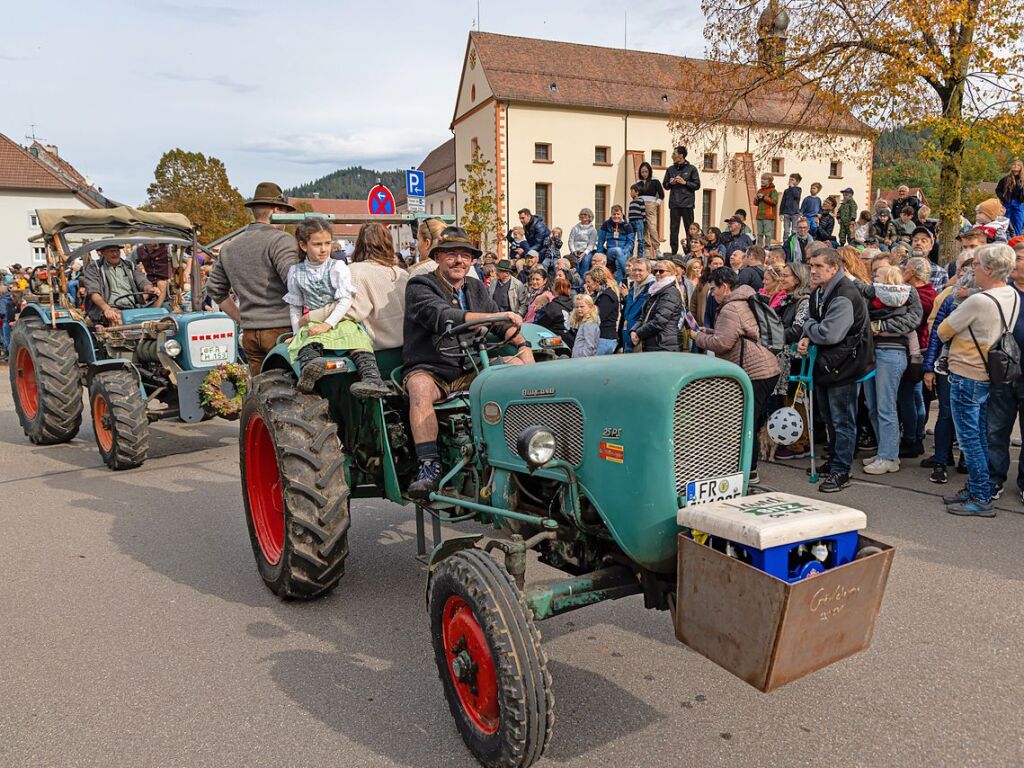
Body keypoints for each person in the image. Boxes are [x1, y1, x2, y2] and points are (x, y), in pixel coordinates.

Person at [403, 227, 535, 498]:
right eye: (451, 254)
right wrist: (487, 319)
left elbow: (498, 321)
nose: (459, 261)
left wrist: (523, 347)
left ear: (472, 261)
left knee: (520, 370)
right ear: (438, 257)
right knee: (418, 387)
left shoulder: (476, 287)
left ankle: (525, 448)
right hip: (433, 369)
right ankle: (429, 464)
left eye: (465, 255)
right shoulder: (420, 286)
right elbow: (443, 316)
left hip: (471, 367)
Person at [938, 244, 1020, 516]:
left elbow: (943, 330)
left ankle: (981, 496)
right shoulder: (1011, 294)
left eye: (976, 264)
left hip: (968, 371)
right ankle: (977, 487)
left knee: (970, 438)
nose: (972, 269)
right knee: (980, 436)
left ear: (987, 269)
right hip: (988, 371)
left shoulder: (978, 300)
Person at [692, 267, 781, 484]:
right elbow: (738, 334)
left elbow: (723, 344)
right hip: (765, 368)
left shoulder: (731, 308)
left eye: (714, 289)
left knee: (745, 422)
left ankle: (748, 472)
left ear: (724, 287)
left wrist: (697, 337)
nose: (712, 294)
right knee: (750, 419)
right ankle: (746, 469)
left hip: (755, 371)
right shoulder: (744, 301)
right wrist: (710, 332)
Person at [797, 248, 874, 493]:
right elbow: (818, 327)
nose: (813, 270)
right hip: (830, 363)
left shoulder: (844, 294)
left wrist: (808, 328)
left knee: (842, 420)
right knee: (830, 418)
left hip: (845, 365)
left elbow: (829, 333)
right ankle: (834, 461)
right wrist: (808, 337)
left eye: (819, 266)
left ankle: (842, 469)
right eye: (811, 266)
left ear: (834, 267)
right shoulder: (820, 292)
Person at [283, 219, 389, 396]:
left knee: (357, 340)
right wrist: (296, 334)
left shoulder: (337, 267)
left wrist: (328, 324)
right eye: (317, 244)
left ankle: (372, 379)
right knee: (308, 341)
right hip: (314, 322)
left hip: (340, 319)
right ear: (303, 245)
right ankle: (310, 371)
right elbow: (295, 307)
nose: (324, 249)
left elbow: (345, 300)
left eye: (327, 243)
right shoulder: (295, 272)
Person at [205, 181, 299, 375]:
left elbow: (215, 289)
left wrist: (241, 318)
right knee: (293, 394)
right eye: (285, 214)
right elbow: (295, 282)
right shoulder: (280, 240)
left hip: (250, 332)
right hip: (282, 331)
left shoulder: (230, 247)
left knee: (260, 390)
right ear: (276, 211)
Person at [857, 265, 922, 475]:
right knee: (873, 405)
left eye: (877, 275)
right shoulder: (870, 295)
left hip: (892, 354)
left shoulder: (909, 294)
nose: (874, 278)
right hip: (871, 353)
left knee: (886, 407)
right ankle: (884, 449)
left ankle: (889, 457)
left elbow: (913, 320)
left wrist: (880, 327)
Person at [987, 237, 1024, 504]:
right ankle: (993, 478)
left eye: (1020, 258)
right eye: (1015, 258)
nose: (1016, 263)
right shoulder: (1003, 292)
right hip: (1002, 372)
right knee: (996, 429)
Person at [347, 222, 410, 352]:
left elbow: (352, 312)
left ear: (360, 244)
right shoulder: (402, 273)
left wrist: (315, 316)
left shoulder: (355, 271)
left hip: (374, 350)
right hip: (406, 347)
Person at [896, 256, 936, 459]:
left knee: (907, 397)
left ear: (912, 272)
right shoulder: (929, 292)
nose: (903, 270)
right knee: (915, 397)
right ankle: (916, 435)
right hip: (921, 349)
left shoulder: (918, 295)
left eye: (905, 267)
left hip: (916, 350)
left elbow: (913, 321)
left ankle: (911, 439)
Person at [773, 262, 813, 460]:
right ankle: (791, 437)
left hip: (796, 358)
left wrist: (774, 336)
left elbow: (797, 330)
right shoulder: (785, 300)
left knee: (796, 399)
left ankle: (800, 442)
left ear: (797, 279)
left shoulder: (804, 301)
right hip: (783, 357)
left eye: (786, 275)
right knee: (786, 399)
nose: (781, 278)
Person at [81, 244, 158, 327]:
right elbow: (93, 292)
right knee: (118, 320)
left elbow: (142, 281)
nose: (115, 254)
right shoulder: (95, 268)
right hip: (109, 308)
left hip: (132, 308)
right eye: (111, 251)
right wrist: (106, 309)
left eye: (117, 251)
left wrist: (150, 289)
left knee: (159, 317)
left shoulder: (130, 265)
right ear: (102, 253)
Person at [629, 259, 683, 352]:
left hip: (664, 344)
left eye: (661, 271)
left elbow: (660, 321)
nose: (657, 274)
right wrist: (633, 330)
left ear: (671, 273)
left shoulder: (670, 292)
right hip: (654, 342)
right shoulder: (655, 290)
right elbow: (644, 316)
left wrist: (639, 333)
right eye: (655, 271)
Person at [663, 146, 701, 255]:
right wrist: (671, 183)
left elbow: (697, 185)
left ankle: (691, 251)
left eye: (674, 154)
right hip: (674, 203)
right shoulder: (670, 169)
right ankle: (673, 252)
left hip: (687, 204)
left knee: (690, 229)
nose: (672, 156)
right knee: (673, 229)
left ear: (681, 155)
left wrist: (685, 183)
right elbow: (665, 185)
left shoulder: (691, 169)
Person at [594, 205, 634, 283]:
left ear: (622, 214)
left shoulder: (628, 226)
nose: (616, 216)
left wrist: (624, 251)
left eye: (618, 214)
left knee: (618, 262)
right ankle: (628, 274)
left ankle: (619, 287)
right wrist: (600, 253)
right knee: (617, 250)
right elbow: (601, 240)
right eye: (614, 214)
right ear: (611, 214)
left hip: (624, 251)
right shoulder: (606, 224)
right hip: (610, 251)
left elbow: (630, 242)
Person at [621, 257, 654, 352]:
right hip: (627, 334)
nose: (636, 273)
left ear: (648, 271)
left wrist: (638, 332)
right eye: (634, 270)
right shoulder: (634, 286)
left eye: (640, 270)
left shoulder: (652, 288)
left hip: (639, 337)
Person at [584, 267, 619, 355]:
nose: (586, 285)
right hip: (602, 337)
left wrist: (589, 299)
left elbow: (597, 316)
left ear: (597, 281)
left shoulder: (607, 296)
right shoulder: (600, 295)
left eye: (589, 282)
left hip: (605, 338)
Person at [636, 161, 665, 255]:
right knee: (643, 227)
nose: (644, 174)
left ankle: (657, 249)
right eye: (642, 172)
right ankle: (647, 249)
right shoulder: (638, 182)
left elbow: (661, 194)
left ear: (649, 171)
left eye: (646, 171)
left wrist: (656, 203)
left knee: (652, 226)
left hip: (650, 204)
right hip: (640, 205)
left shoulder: (655, 181)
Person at [132, 242, 173, 307]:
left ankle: (156, 309)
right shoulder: (137, 251)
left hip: (167, 284)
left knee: (161, 284)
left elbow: (187, 258)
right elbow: (127, 263)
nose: (156, 242)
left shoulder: (168, 249)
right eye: (151, 240)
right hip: (149, 284)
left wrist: (186, 270)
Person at [996, 159, 1024, 237]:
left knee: (1018, 222)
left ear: (1021, 168)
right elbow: (998, 190)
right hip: (1007, 202)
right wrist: (1003, 198)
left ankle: (1018, 240)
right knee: (1006, 221)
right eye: (1014, 164)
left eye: (1018, 165)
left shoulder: (1022, 180)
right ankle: (1006, 239)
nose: (1015, 166)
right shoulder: (1005, 179)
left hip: (1019, 203)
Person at [570, 293, 600, 358]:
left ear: (590, 306)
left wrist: (583, 361)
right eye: (577, 307)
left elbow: (589, 346)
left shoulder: (589, 324)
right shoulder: (585, 322)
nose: (579, 309)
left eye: (582, 306)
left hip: (582, 361)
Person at [754, 173, 778, 247]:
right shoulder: (760, 190)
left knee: (767, 233)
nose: (762, 180)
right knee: (759, 234)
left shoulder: (773, 191)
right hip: (760, 216)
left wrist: (764, 197)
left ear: (769, 181)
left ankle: (767, 247)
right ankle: (759, 247)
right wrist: (756, 199)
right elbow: (755, 203)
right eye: (762, 179)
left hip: (768, 216)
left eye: (764, 179)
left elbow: (774, 202)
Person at [780, 173, 803, 241]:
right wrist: (781, 213)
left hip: (795, 214)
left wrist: (792, 187)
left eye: (792, 180)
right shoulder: (786, 191)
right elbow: (783, 202)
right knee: (786, 230)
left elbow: (797, 196)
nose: (790, 181)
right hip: (786, 213)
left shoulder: (798, 189)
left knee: (794, 230)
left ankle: (794, 242)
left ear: (797, 182)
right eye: (789, 179)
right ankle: (785, 243)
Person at [628, 185, 647, 257]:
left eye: (632, 191)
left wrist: (644, 220)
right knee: (631, 238)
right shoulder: (631, 203)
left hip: (639, 221)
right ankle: (630, 255)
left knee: (640, 239)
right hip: (631, 221)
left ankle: (640, 255)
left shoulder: (640, 200)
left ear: (636, 192)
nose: (630, 193)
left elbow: (643, 210)